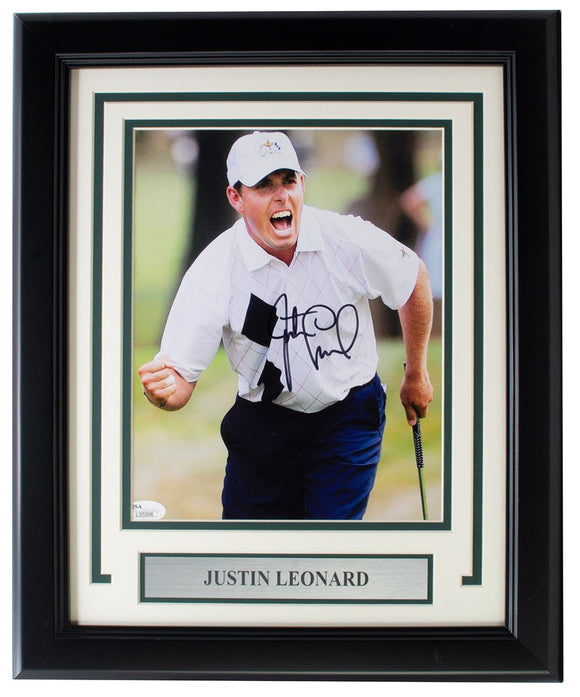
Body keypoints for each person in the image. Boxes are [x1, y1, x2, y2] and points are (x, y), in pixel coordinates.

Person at [138, 131, 433, 521]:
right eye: (264, 185)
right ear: (236, 198)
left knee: (328, 546)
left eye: (288, 181)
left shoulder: (346, 239)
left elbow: (413, 278)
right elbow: (179, 383)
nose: (281, 196)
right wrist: (162, 392)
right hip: (264, 422)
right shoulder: (215, 268)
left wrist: (416, 373)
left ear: (302, 184)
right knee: (249, 548)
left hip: (347, 412)